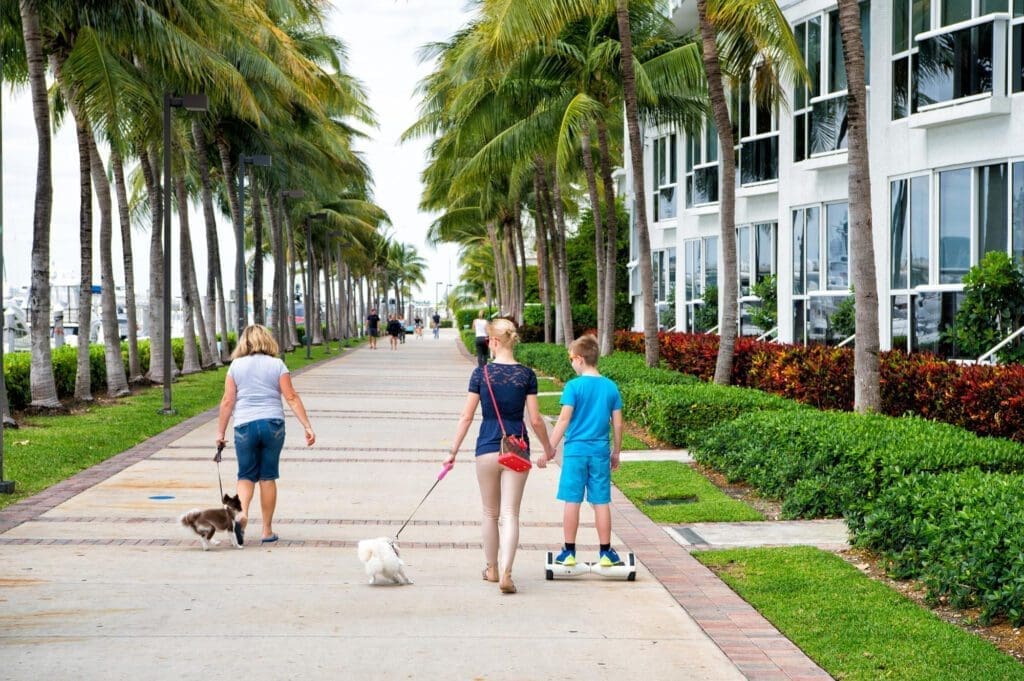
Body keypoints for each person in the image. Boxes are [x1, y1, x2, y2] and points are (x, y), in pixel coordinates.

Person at [444, 318, 554, 594]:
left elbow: (466, 415)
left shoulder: (480, 374)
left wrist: (452, 452)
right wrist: (548, 448)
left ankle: (491, 569)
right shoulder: (527, 375)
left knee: (489, 513)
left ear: (493, 341)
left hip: (487, 449)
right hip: (516, 450)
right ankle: (507, 571)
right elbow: (536, 419)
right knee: (510, 514)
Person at [216, 325, 316, 545]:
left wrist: (220, 432)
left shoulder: (236, 366)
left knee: (245, 475)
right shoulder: (277, 364)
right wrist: (307, 426)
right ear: (267, 340)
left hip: (244, 425)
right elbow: (291, 396)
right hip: (273, 425)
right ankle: (267, 531)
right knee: (267, 477)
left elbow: (227, 400)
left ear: (245, 342)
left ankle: (241, 514)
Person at [543, 334, 624, 568]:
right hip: (599, 452)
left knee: (572, 500)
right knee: (601, 502)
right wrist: (616, 451)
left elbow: (564, 419)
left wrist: (550, 447)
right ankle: (606, 553)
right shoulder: (610, 387)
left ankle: (568, 552)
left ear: (579, 359)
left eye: (570, 359)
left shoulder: (573, 386)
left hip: (575, 452)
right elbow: (617, 423)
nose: (571, 363)